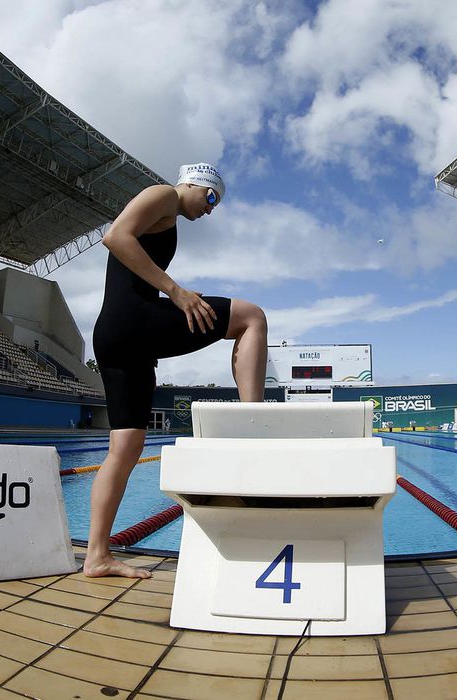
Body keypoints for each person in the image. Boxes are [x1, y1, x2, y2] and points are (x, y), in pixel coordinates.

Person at [85, 163, 268, 579]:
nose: (211, 209)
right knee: (251, 317)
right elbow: (114, 237)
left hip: (117, 336)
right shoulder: (163, 194)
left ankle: (96, 556)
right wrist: (177, 292)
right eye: (212, 198)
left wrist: (173, 294)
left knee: (125, 448)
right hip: (134, 321)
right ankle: (254, 424)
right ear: (196, 184)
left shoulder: (168, 213)